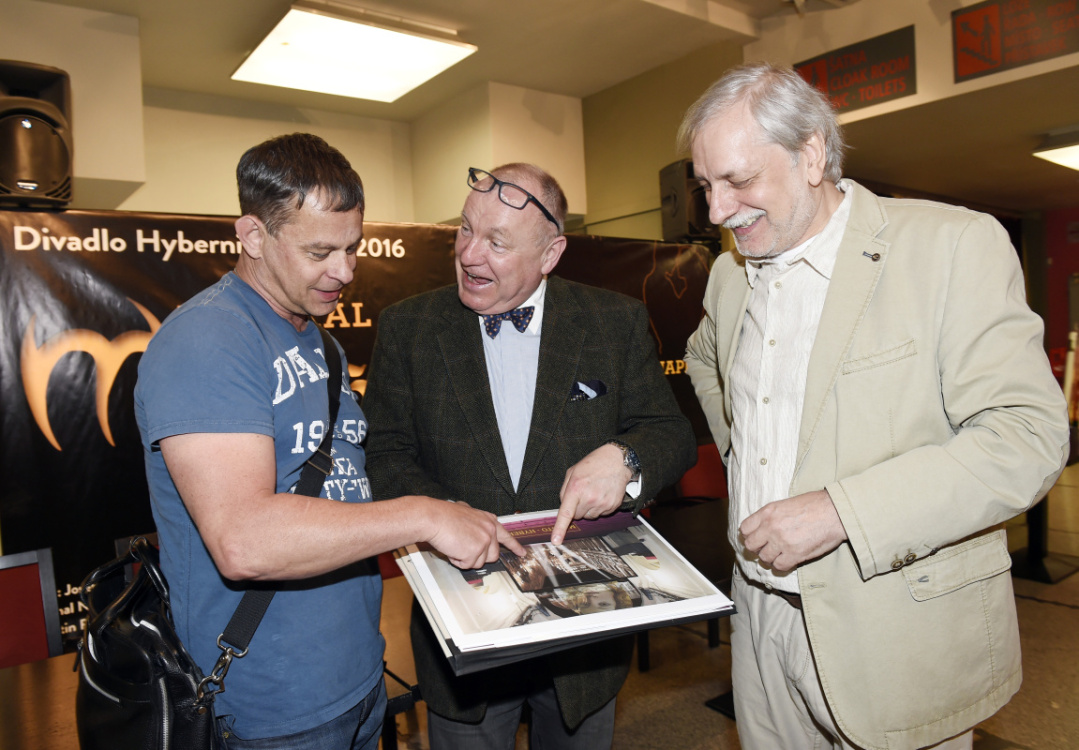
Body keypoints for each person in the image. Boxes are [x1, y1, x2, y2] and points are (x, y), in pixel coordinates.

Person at [680, 62, 1070, 750]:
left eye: (737, 180)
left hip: (895, 627)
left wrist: (840, 511)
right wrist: (749, 460)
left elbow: (1026, 438)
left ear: (811, 155)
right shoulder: (728, 276)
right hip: (760, 621)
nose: (716, 211)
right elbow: (706, 361)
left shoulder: (951, 246)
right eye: (706, 186)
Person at [134, 133, 524, 749]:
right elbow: (244, 540)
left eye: (352, 248)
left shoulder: (324, 343)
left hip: (357, 677)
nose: (344, 272)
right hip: (270, 704)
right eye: (320, 251)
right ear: (253, 235)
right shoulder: (208, 339)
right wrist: (424, 515)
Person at [362, 163, 696, 749]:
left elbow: (670, 432)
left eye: (497, 242)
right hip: (466, 623)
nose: (469, 254)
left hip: (585, 636)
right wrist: (441, 515)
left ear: (550, 254)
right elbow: (384, 453)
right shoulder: (408, 328)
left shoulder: (612, 322)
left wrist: (625, 456)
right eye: (466, 229)